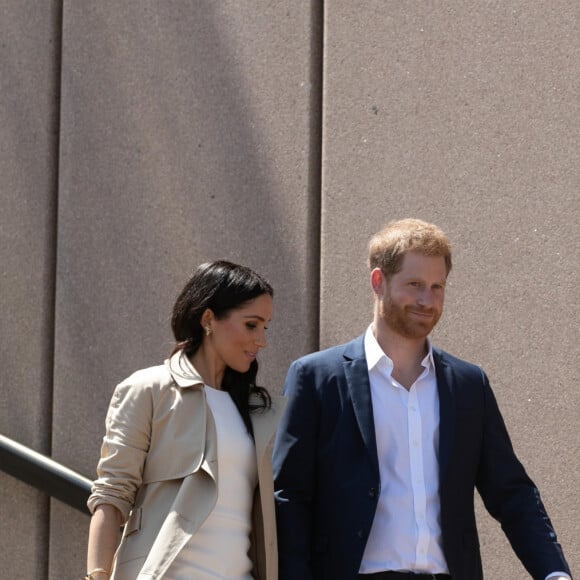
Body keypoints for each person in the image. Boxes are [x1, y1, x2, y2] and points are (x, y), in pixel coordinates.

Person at [273, 219, 571, 580]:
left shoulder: (468, 384)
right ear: (378, 281)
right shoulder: (317, 377)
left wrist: (554, 573)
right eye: (414, 285)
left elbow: (511, 492)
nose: (427, 300)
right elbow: (290, 497)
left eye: (437, 287)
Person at [86, 260, 286, 580]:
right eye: (251, 325)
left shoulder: (258, 411)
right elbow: (111, 496)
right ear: (208, 319)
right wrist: (96, 576)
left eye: (266, 327)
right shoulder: (149, 389)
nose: (261, 340)